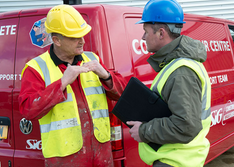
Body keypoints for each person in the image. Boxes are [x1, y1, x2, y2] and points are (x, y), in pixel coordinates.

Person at [19, 4, 126, 167]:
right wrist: (61, 83)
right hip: (64, 159)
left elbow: (124, 94)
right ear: (56, 40)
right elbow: (28, 110)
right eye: (75, 37)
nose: (82, 41)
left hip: (101, 155)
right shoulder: (36, 68)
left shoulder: (92, 59)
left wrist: (105, 75)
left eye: (83, 35)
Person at [126, 0, 211, 167]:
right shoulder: (175, 64)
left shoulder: (181, 71)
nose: (143, 37)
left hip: (175, 161)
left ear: (161, 33)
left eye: (145, 31)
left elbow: (186, 126)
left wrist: (144, 131)